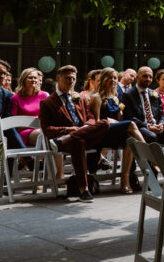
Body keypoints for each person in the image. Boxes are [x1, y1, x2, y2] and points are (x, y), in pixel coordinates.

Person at [38, 65, 109, 202]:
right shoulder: (47, 102)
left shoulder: (80, 98)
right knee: (78, 142)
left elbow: (91, 117)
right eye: (68, 78)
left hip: (77, 137)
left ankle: (68, 138)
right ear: (58, 78)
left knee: (105, 123)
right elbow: (46, 129)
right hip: (68, 141)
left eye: (73, 79)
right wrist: (66, 130)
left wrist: (86, 126)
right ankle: (84, 190)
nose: (71, 81)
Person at [123, 66, 164, 186]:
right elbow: (129, 117)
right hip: (141, 129)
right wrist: (148, 126)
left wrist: (162, 124)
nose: (148, 79)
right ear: (137, 77)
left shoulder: (154, 94)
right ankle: (152, 178)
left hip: (157, 128)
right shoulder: (129, 94)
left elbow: (162, 115)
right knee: (152, 137)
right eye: (145, 76)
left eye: (150, 76)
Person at [88, 67, 146, 194]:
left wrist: (120, 112)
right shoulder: (97, 97)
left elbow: (119, 120)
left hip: (113, 131)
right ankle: (147, 151)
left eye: (115, 78)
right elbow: (97, 122)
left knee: (130, 140)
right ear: (103, 79)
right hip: (102, 132)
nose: (113, 80)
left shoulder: (115, 98)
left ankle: (125, 180)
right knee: (131, 124)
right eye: (110, 77)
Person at [11, 67, 48, 146]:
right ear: (23, 80)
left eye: (35, 78)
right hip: (24, 131)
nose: (33, 80)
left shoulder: (44, 95)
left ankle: (42, 158)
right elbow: (12, 122)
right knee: (43, 135)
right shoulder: (16, 98)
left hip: (42, 128)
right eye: (30, 78)